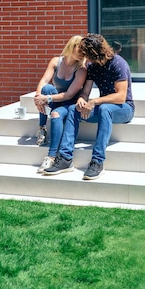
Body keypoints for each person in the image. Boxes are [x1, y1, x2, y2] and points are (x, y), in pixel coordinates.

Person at [43, 33, 135, 180]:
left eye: (87, 54)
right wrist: (82, 99)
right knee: (74, 109)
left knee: (105, 108)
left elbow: (120, 96)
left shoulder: (118, 64)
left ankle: (97, 161)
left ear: (95, 53)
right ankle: (65, 158)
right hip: (103, 106)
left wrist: (94, 101)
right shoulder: (92, 66)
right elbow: (85, 92)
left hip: (123, 108)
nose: (84, 57)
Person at [34, 35, 87, 173]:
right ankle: (42, 128)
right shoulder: (56, 61)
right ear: (72, 45)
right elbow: (44, 80)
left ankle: (51, 157)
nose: (83, 51)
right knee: (45, 89)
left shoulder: (81, 69)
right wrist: (38, 97)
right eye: (80, 48)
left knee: (55, 113)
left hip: (70, 102)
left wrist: (47, 99)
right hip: (56, 97)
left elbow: (69, 94)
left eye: (84, 50)